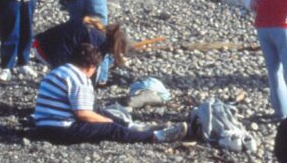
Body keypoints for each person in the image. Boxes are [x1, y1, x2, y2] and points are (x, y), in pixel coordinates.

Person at [33, 43, 184, 144]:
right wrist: (107, 122)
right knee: (110, 128)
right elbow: (83, 114)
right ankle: (155, 137)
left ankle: (133, 127)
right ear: (92, 66)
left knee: (98, 110)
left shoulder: (61, 70)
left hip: (43, 125)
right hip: (59, 130)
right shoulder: (80, 80)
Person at [33, 16, 128, 86]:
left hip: (41, 43)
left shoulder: (98, 31)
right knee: (72, 77)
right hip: (47, 51)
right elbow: (91, 68)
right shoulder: (100, 42)